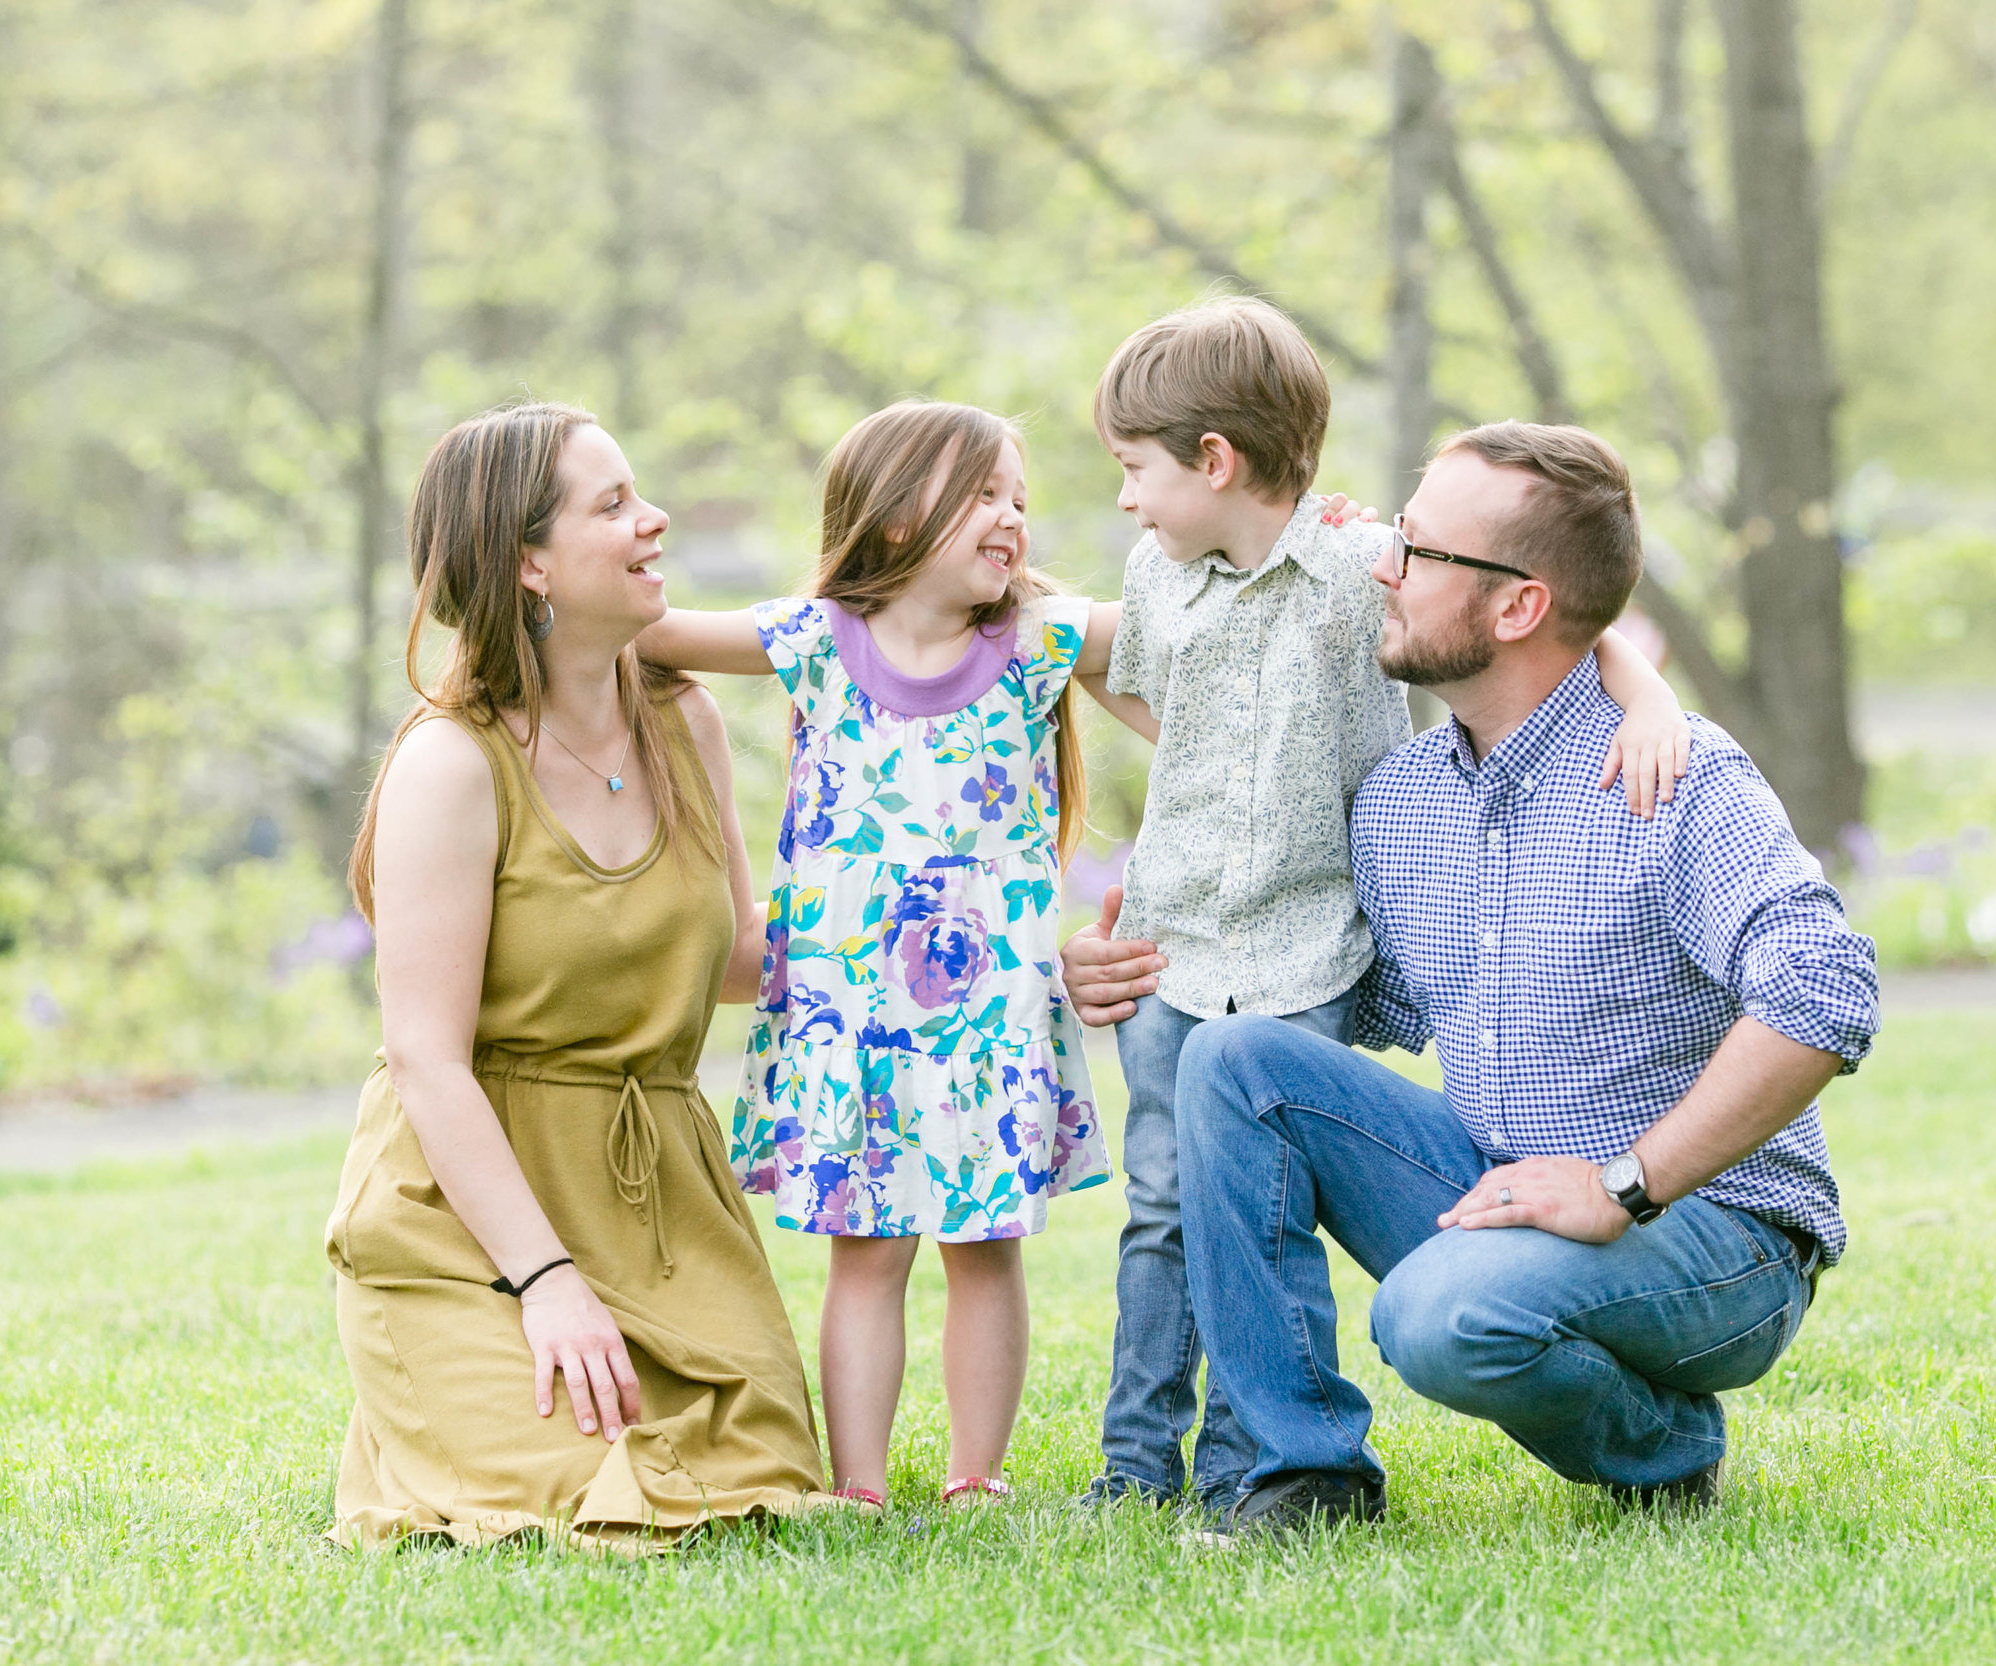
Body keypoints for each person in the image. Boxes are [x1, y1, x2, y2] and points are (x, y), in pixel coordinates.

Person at [1063, 420, 1880, 1536]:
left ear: (1517, 608)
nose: (1383, 566)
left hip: (1713, 1236)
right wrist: (1139, 965)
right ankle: (1303, 1474)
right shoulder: (1402, 807)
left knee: (1439, 1316)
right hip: (1497, 1183)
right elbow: (1330, 1001)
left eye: (1417, 549)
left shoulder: (1670, 776)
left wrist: (1623, 1184)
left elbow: (1825, 996)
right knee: (1235, 1056)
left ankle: (1664, 1444)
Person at [1077, 299, 1693, 1517]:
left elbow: (1572, 609)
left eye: (1133, 468)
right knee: (1160, 1207)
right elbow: (1093, 668)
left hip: (1303, 950)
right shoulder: (1157, 581)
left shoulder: (1366, 568)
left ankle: (1261, 1462)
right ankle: (1136, 1464)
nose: (1124, 500)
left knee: (1258, 1204)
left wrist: (1651, 701)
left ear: (1215, 460)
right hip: (1171, 950)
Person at [325, 401, 829, 1551]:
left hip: (660, 1205)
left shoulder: (683, 723)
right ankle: (430, 1380)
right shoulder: (452, 763)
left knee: (749, 1471)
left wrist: (1005, 946)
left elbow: (744, 959)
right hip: (471, 1214)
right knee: (578, 1484)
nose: (654, 521)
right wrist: (545, 1281)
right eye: (614, 505)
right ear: (528, 562)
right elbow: (426, 1059)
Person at [636, 400, 1115, 1511]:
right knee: (867, 1250)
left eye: (1020, 501)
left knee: (985, 1248)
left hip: (989, 1016)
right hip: (852, 1021)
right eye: (986, 496)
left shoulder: (1038, 642)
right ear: (897, 520)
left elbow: (1198, 630)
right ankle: (855, 1485)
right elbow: (648, 632)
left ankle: (974, 1476)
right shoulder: (813, 643)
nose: (1012, 521)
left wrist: (1316, 539)